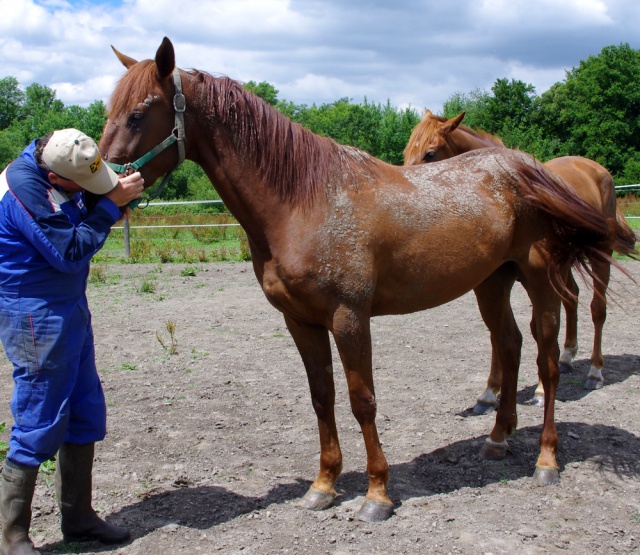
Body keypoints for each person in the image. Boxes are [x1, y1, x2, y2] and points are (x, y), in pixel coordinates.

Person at [0, 128, 144, 554]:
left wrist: (115, 189)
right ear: (57, 178)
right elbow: (68, 253)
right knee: (39, 418)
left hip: (67, 306)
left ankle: (79, 519)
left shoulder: (62, 156)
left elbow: (85, 200)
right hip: (35, 313)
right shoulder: (23, 191)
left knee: (84, 411)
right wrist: (109, 208)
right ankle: (12, 537)